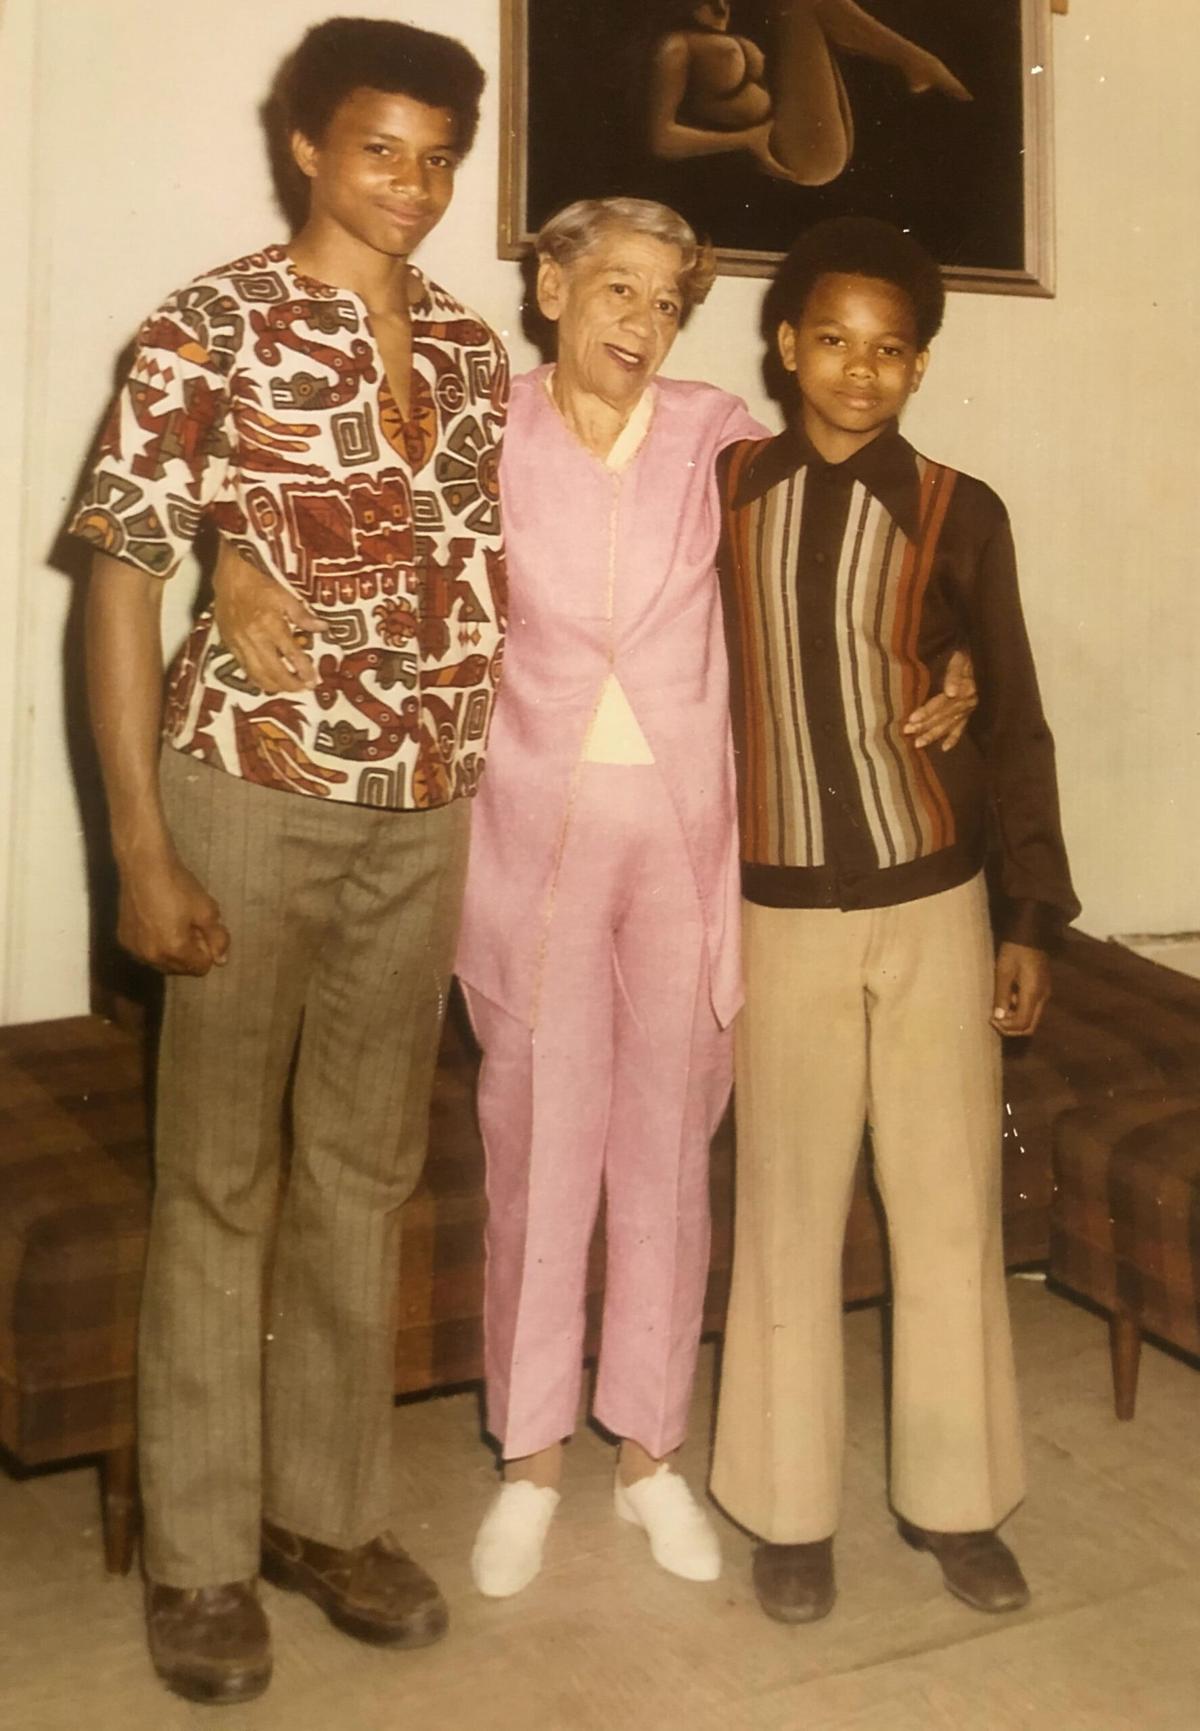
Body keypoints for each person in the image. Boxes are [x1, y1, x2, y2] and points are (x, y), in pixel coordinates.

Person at [212, 195, 977, 1606]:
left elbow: (858, 542)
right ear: (553, 289)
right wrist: (233, 552)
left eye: (667, 301)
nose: (641, 321)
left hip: (693, 846)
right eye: (615, 289)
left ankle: (649, 1453)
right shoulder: (478, 423)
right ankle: (532, 1459)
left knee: (670, 1148)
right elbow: (333, 506)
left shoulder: (720, 443)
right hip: (532, 842)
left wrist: (950, 657)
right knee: (538, 1139)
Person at [72, 17, 506, 1705]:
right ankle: (195, 1555)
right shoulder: (207, 327)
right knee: (217, 1180)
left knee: (362, 1171)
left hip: (427, 805)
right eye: (380, 148)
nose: (411, 185)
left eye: (438, 157)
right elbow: (118, 584)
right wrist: (136, 845)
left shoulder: (470, 353)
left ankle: (325, 1517)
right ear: (308, 147)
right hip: (241, 796)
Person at [709, 216, 1079, 1625]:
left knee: (945, 1207)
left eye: (891, 350)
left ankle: (956, 1501)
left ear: (920, 363)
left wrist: (1031, 913)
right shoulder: (724, 484)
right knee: (788, 1209)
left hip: (936, 896)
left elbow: (1021, 712)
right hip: (777, 906)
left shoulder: (959, 508)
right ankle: (789, 1511)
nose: (859, 373)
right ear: (786, 343)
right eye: (833, 342)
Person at [648, 0, 971, 185]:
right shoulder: (675, 46)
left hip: (800, 135)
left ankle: (917, 62)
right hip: (790, 151)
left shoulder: (719, 19)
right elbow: (662, 138)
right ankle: (918, 62)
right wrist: (746, 141)